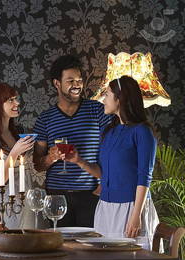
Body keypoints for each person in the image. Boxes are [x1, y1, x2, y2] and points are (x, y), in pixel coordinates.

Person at [64, 76, 159, 249]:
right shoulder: (110, 132)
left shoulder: (142, 132)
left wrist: (136, 214)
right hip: (106, 208)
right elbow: (103, 173)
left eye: (107, 94)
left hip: (131, 207)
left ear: (120, 98)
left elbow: (144, 177)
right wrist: (79, 161)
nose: (103, 99)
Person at [33, 55, 112, 228]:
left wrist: (105, 183)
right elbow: (38, 164)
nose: (77, 85)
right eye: (70, 80)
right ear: (57, 83)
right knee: (59, 249)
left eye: (79, 80)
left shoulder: (98, 110)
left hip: (91, 195)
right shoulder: (45, 119)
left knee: (90, 251)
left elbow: (111, 151)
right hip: (56, 196)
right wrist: (51, 158)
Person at [0, 82, 35, 229]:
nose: (17, 102)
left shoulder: (19, 131)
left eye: (16, 98)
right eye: (11, 100)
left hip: (30, 202)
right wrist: (15, 152)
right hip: (9, 206)